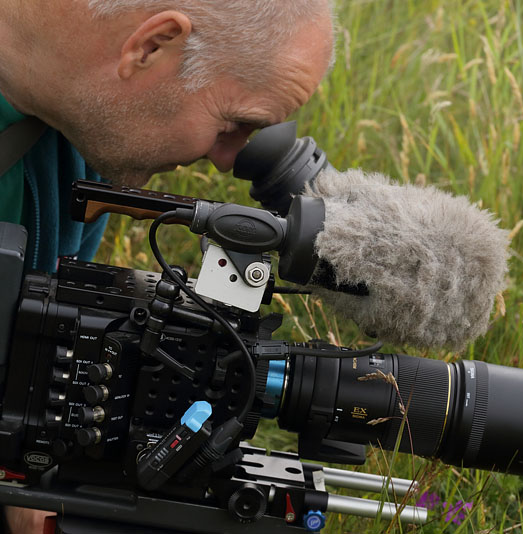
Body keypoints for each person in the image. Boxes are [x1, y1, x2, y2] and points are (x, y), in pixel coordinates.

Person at [0, 0, 334, 532]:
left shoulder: (80, 145)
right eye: (233, 124)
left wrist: (31, 479)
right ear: (152, 45)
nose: (228, 161)